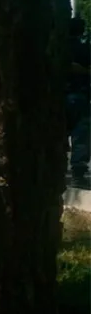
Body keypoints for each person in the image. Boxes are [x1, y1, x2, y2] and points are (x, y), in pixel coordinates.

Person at [67, 16, 90, 188]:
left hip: (58, 97)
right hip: (79, 96)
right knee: (80, 136)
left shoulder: (57, 47)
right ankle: (78, 173)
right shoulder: (84, 50)